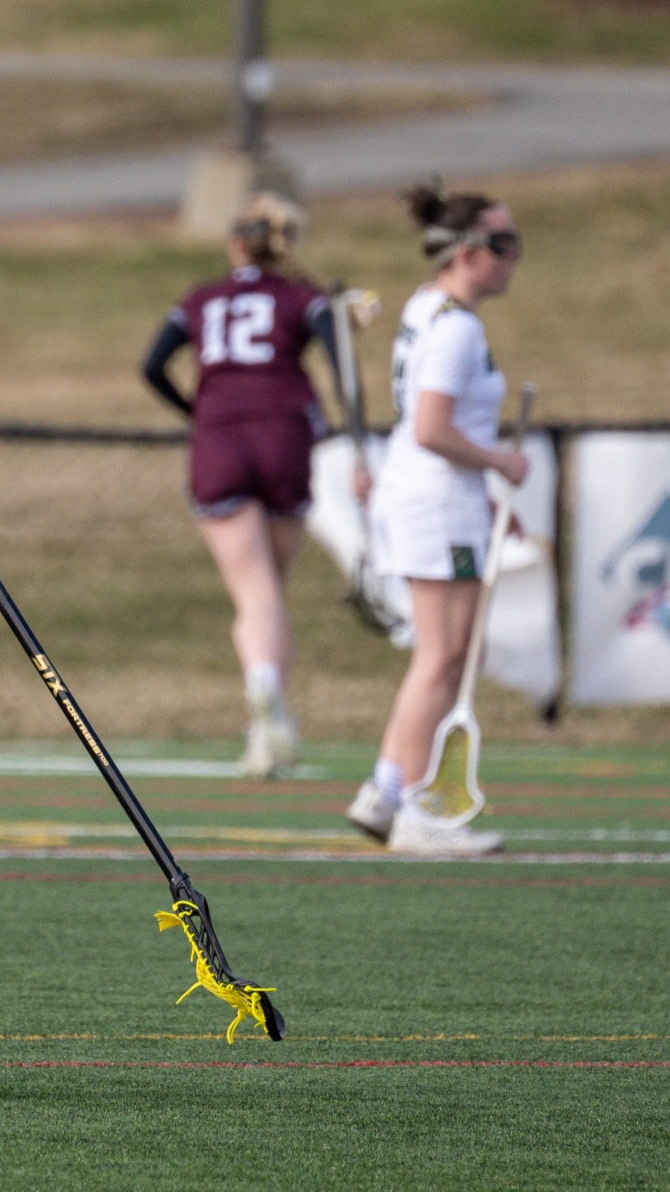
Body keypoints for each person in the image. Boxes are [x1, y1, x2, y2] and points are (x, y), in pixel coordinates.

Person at [140, 194, 362, 779]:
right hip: (285, 435)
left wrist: (196, 411)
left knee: (254, 596)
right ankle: (266, 716)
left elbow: (150, 365)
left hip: (220, 440)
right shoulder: (304, 298)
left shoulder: (202, 298)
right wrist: (357, 440)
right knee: (269, 595)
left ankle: (264, 713)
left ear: (236, 243)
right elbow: (345, 372)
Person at [346, 183, 527, 857]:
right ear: (471, 253)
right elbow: (431, 427)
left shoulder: (429, 308)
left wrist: (482, 489)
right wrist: (499, 464)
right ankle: (415, 806)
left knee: (439, 654)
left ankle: (387, 792)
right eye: (505, 245)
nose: (515, 259)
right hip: (433, 499)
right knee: (443, 654)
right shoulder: (454, 326)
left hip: (434, 496)